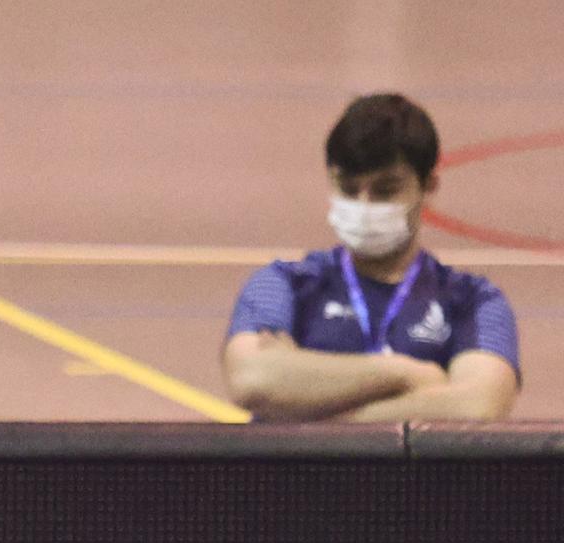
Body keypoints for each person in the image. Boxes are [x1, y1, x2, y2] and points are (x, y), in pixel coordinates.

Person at [222, 93, 520, 422]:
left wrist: (314, 415)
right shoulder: (282, 284)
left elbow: (476, 407)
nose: (363, 205)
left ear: (428, 186)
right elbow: (252, 379)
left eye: (385, 190)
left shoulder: (475, 300)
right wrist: (405, 374)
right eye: (348, 189)